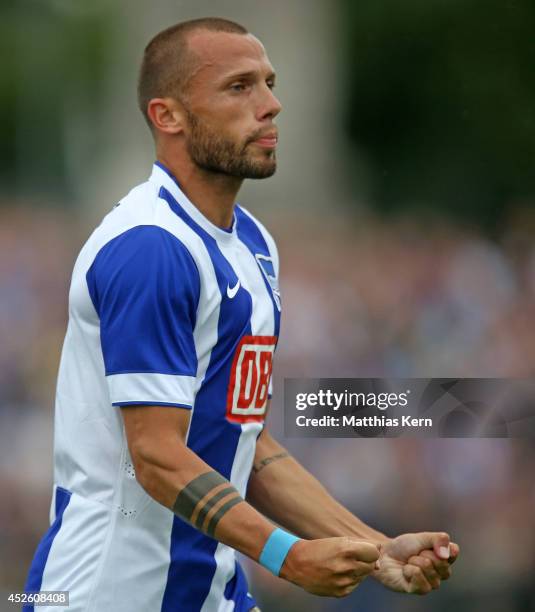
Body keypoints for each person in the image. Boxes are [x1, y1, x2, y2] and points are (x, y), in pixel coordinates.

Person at [24, 17, 459, 612]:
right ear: (167, 115)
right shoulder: (150, 247)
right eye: (239, 87)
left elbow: (244, 443)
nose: (271, 104)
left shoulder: (251, 243)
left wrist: (373, 547)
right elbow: (156, 453)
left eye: (270, 83)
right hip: (108, 594)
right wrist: (286, 554)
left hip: (210, 590)